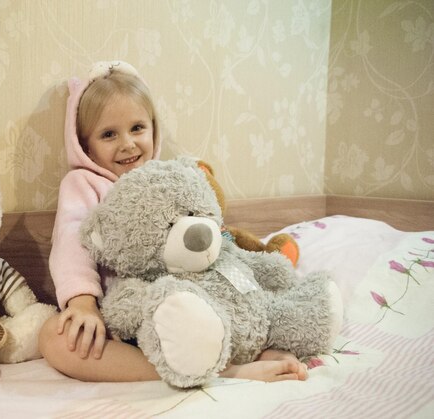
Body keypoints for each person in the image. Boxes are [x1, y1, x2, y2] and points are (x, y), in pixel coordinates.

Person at [38, 61, 308, 383]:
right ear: (86, 146)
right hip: (124, 314)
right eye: (108, 134)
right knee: (52, 338)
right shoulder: (84, 183)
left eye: (137, 128)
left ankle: (251, 346)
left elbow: (208, 233)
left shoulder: (169, 178)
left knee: (233, 302)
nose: (127, 143)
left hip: (187, 301)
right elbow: (71, 240)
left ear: (153, 128)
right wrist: (82, 303)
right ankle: (219, 371)